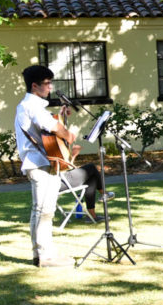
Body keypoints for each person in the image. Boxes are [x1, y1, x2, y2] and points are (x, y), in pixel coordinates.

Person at [14, 65, 103, 267]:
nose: (50, 87)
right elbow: (53, 128)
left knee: (42, 210)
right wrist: (69, 135)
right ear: (34, 85)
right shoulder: (32, 105)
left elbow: (48, 128)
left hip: (42, 163)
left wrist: (61, 116)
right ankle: (45, 256)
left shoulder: (30, 106)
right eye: (47, 83)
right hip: (40, 164)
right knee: (44, 211)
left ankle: (42, 253)